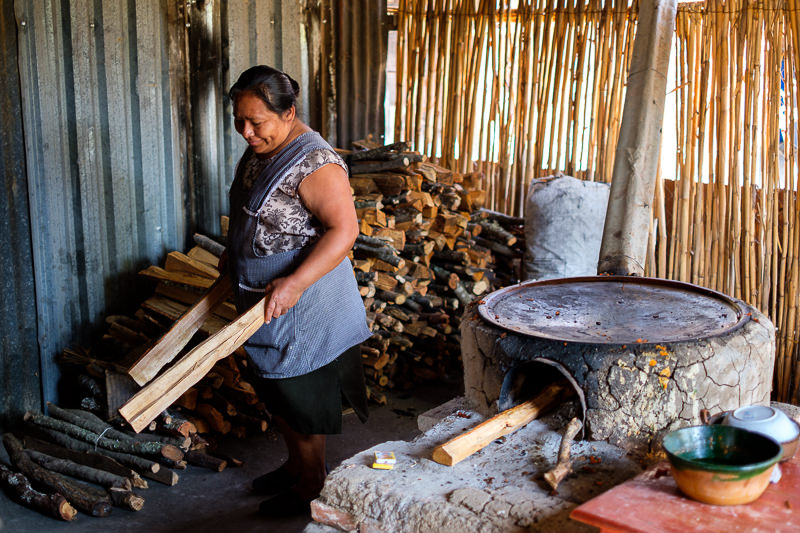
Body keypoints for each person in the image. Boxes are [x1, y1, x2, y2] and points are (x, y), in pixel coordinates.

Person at [223, 65, 371, 517]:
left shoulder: (316, 164)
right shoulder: (264, 148)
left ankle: (311, 482)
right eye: (240, 121)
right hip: (267, 294)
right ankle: (294, 468)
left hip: (307, 300)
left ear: (289, 113)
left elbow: (344, 231)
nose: (247, 132)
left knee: (302, 395)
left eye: (257, 122)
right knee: (278, 392)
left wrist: (295, 282)